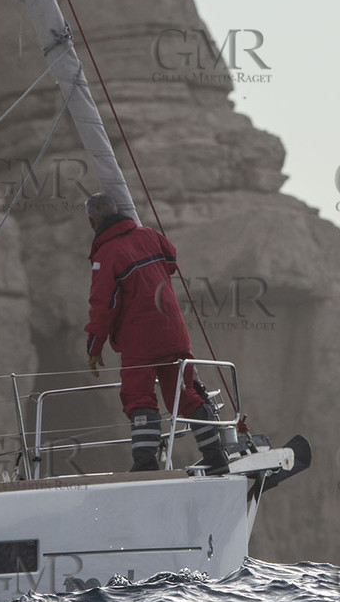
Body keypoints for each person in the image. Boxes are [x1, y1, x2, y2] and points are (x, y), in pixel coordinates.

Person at [82, 192, 230, 473]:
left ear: (92, 222)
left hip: (141, 341)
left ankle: (145, 463)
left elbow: (103, 305)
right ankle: (216, 457)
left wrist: (94, 346)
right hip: (174, 332)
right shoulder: (149, 235)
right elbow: (171, 260)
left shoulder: (105, 255)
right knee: (186, 394)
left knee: (138, 396)